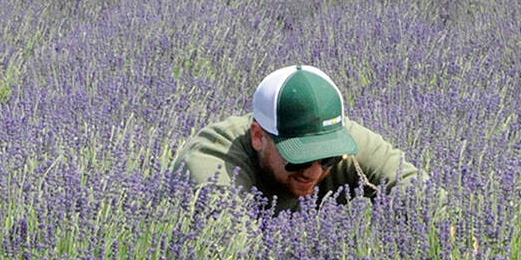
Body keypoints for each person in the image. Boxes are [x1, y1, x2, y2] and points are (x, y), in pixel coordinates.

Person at [173, 64, 423, 212]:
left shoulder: (339, 139)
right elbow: (229, 258)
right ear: (259, 136)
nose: (314, 173)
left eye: (328, 158)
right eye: (300, 159)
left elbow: (424, 197)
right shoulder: (214, 163)